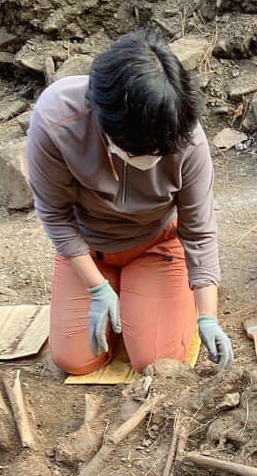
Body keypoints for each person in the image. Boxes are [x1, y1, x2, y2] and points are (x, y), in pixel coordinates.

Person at [26, 30, 234, 379]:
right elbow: (55, 215)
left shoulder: (183, 133)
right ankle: (114, 289)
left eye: (159, 152)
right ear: (105, 123)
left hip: (156, 243)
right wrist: (97, 287)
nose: (151, 160)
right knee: (74, 359)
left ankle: (146, 295)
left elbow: (199, 232)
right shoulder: (56, 121)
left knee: (159, 363)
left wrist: (207, 317)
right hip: (89, 248)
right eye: (142, 152)